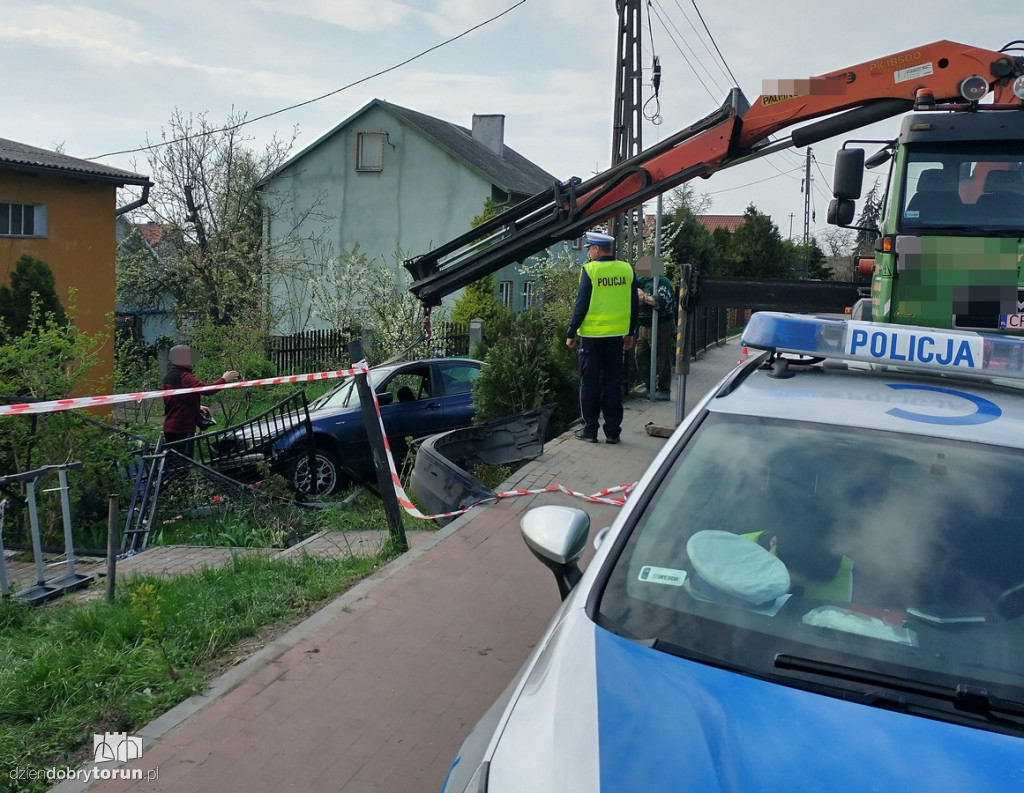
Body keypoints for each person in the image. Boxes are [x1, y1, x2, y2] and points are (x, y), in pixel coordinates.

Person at [566, 231, 638, 444]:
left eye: (589, 248)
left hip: (591, 338)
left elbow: (582, 305)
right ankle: (613, 432)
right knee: (613, 384)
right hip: (616, 337)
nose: (588, 252)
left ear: (597, 249)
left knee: (589, 384)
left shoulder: (590, 270)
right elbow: (634, 305)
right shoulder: (627, 270)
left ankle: (590, 431)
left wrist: (571, 332)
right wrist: (631, 332)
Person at [162, 344, 239, 456]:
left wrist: (197, 406)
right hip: (183, 428)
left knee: (173, 464)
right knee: (183, 464)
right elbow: (207, 390)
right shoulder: (185, 377)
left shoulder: (169, 376)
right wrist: (224, 379)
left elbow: (176, 399)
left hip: (171, 427)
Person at [634, 258, 675, 401]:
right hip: (644, 325)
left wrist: (644, 297)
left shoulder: (662, 282)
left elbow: (662, 302)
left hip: (661, 324)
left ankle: (664, 389)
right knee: (640, 355)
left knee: (662, 356)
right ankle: (649, 386)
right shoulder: (641, 281)